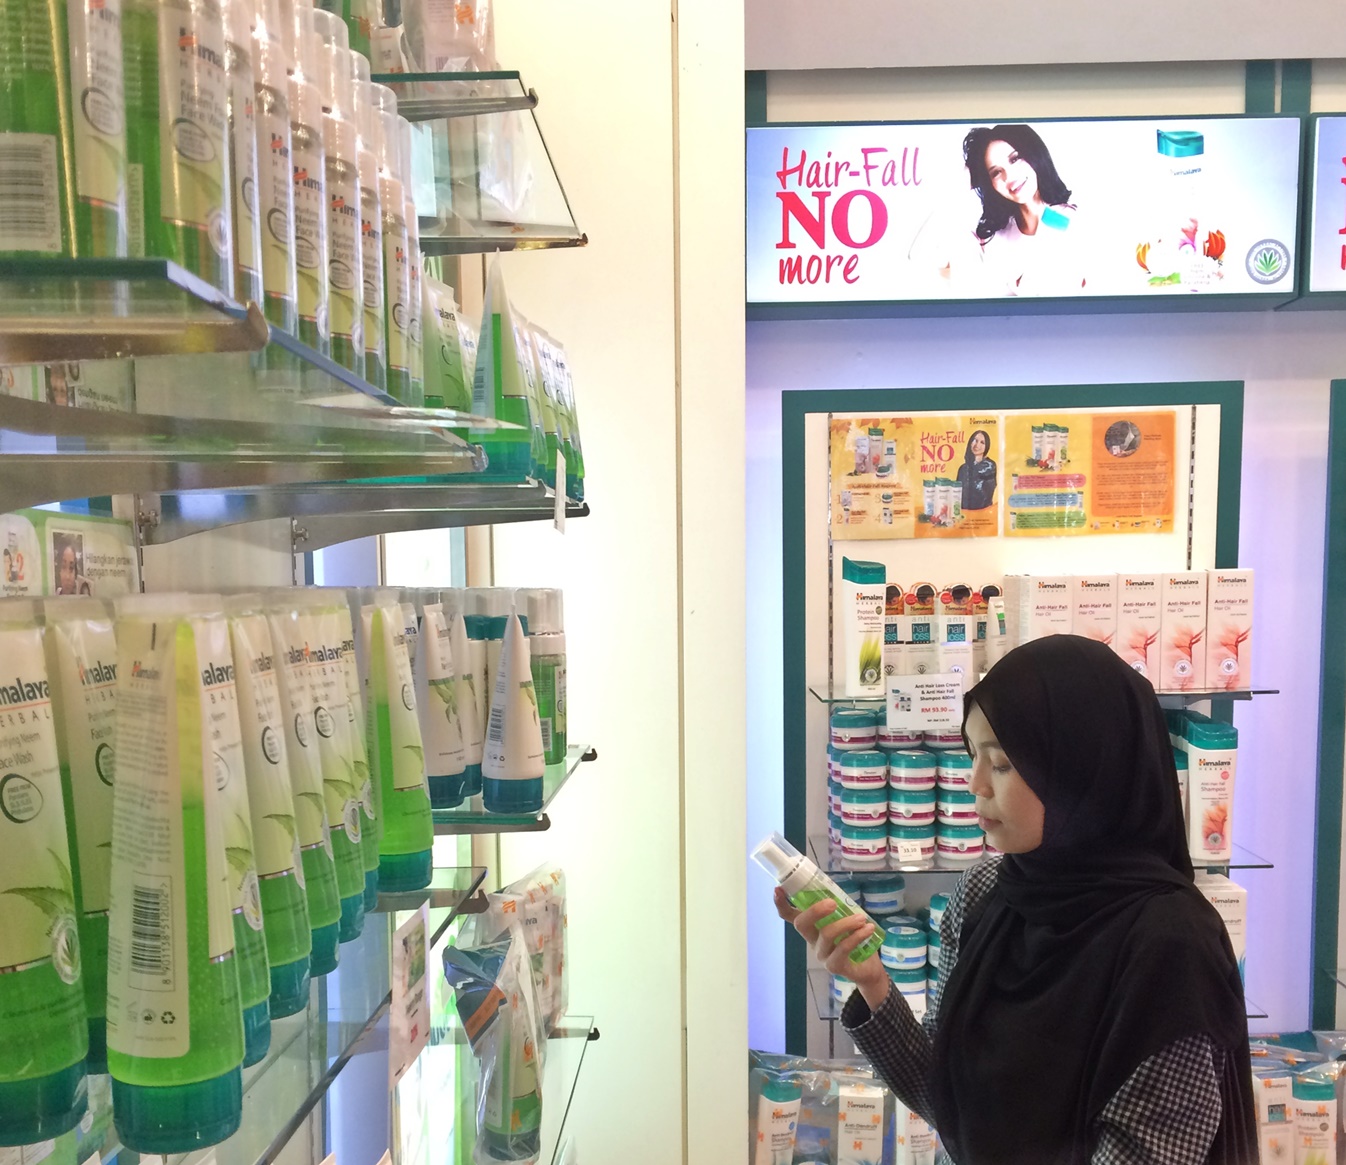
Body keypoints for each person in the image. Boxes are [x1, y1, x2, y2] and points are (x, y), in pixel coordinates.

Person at [777, 636, 1255, 1164]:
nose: (974, 783)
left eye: (1002, 763)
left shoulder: (1171, 947)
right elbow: (947, 1099)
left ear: (1079, 770)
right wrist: (872, 984)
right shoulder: (985, 894)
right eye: (972, 754)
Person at [963, 124, 1087, 295]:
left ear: (1034, 154)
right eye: (996, 172)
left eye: (1015, 159)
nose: (1009, 177)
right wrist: (964, 179)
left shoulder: (1065, 220)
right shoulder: (994, 240)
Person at [955, 429, 996, 511]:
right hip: (965, 514)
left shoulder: (989, 466)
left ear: (986, 446)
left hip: (983, 513)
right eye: (975, 440)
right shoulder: (963, 469)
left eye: (982, 442)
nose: (977, 445)